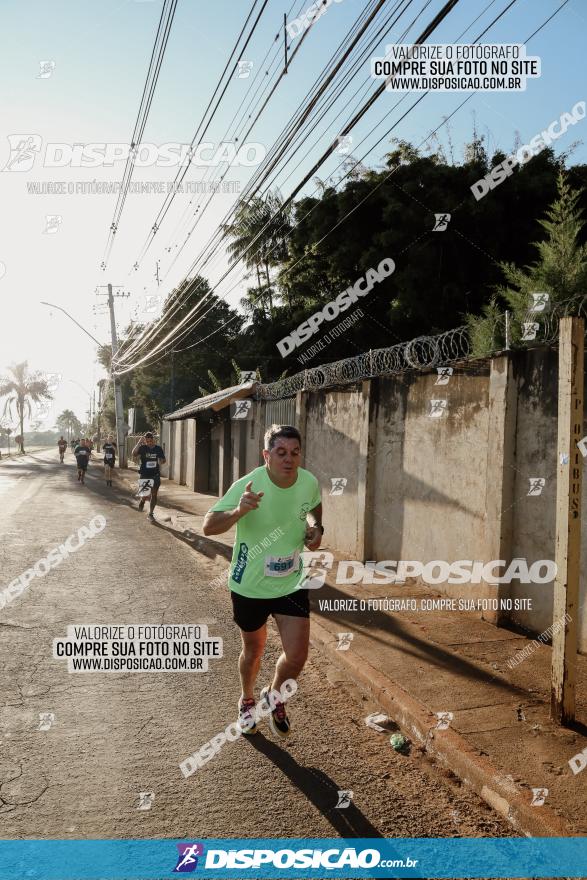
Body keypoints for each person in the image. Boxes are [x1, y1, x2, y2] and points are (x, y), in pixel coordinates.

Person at [202, 424, 323, 740]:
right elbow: (208, 526)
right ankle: (247, 698)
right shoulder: (249, 483)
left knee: (297, 656)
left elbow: (313, 506)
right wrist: (239, 511)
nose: (289, 459)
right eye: (281, 453)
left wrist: (315, 528)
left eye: (294, 452)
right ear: (267, 455)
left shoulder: (308, 481)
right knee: (253, 651)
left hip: (291, 583)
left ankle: (274, 697)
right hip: (250, 585)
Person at [131, 432, 166, 520]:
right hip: (145, 474)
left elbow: (163, 460)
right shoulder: (143, 448)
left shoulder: (158, 449)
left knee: (154, 494)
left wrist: (162, 461)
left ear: (153, 440)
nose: (149, 443)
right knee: (145, 495)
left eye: (151, 441)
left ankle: (151, 514)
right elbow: (134, 454)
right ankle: (142, 501)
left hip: (155, 474)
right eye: (147, 441)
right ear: (145, 441)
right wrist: (139, 442)